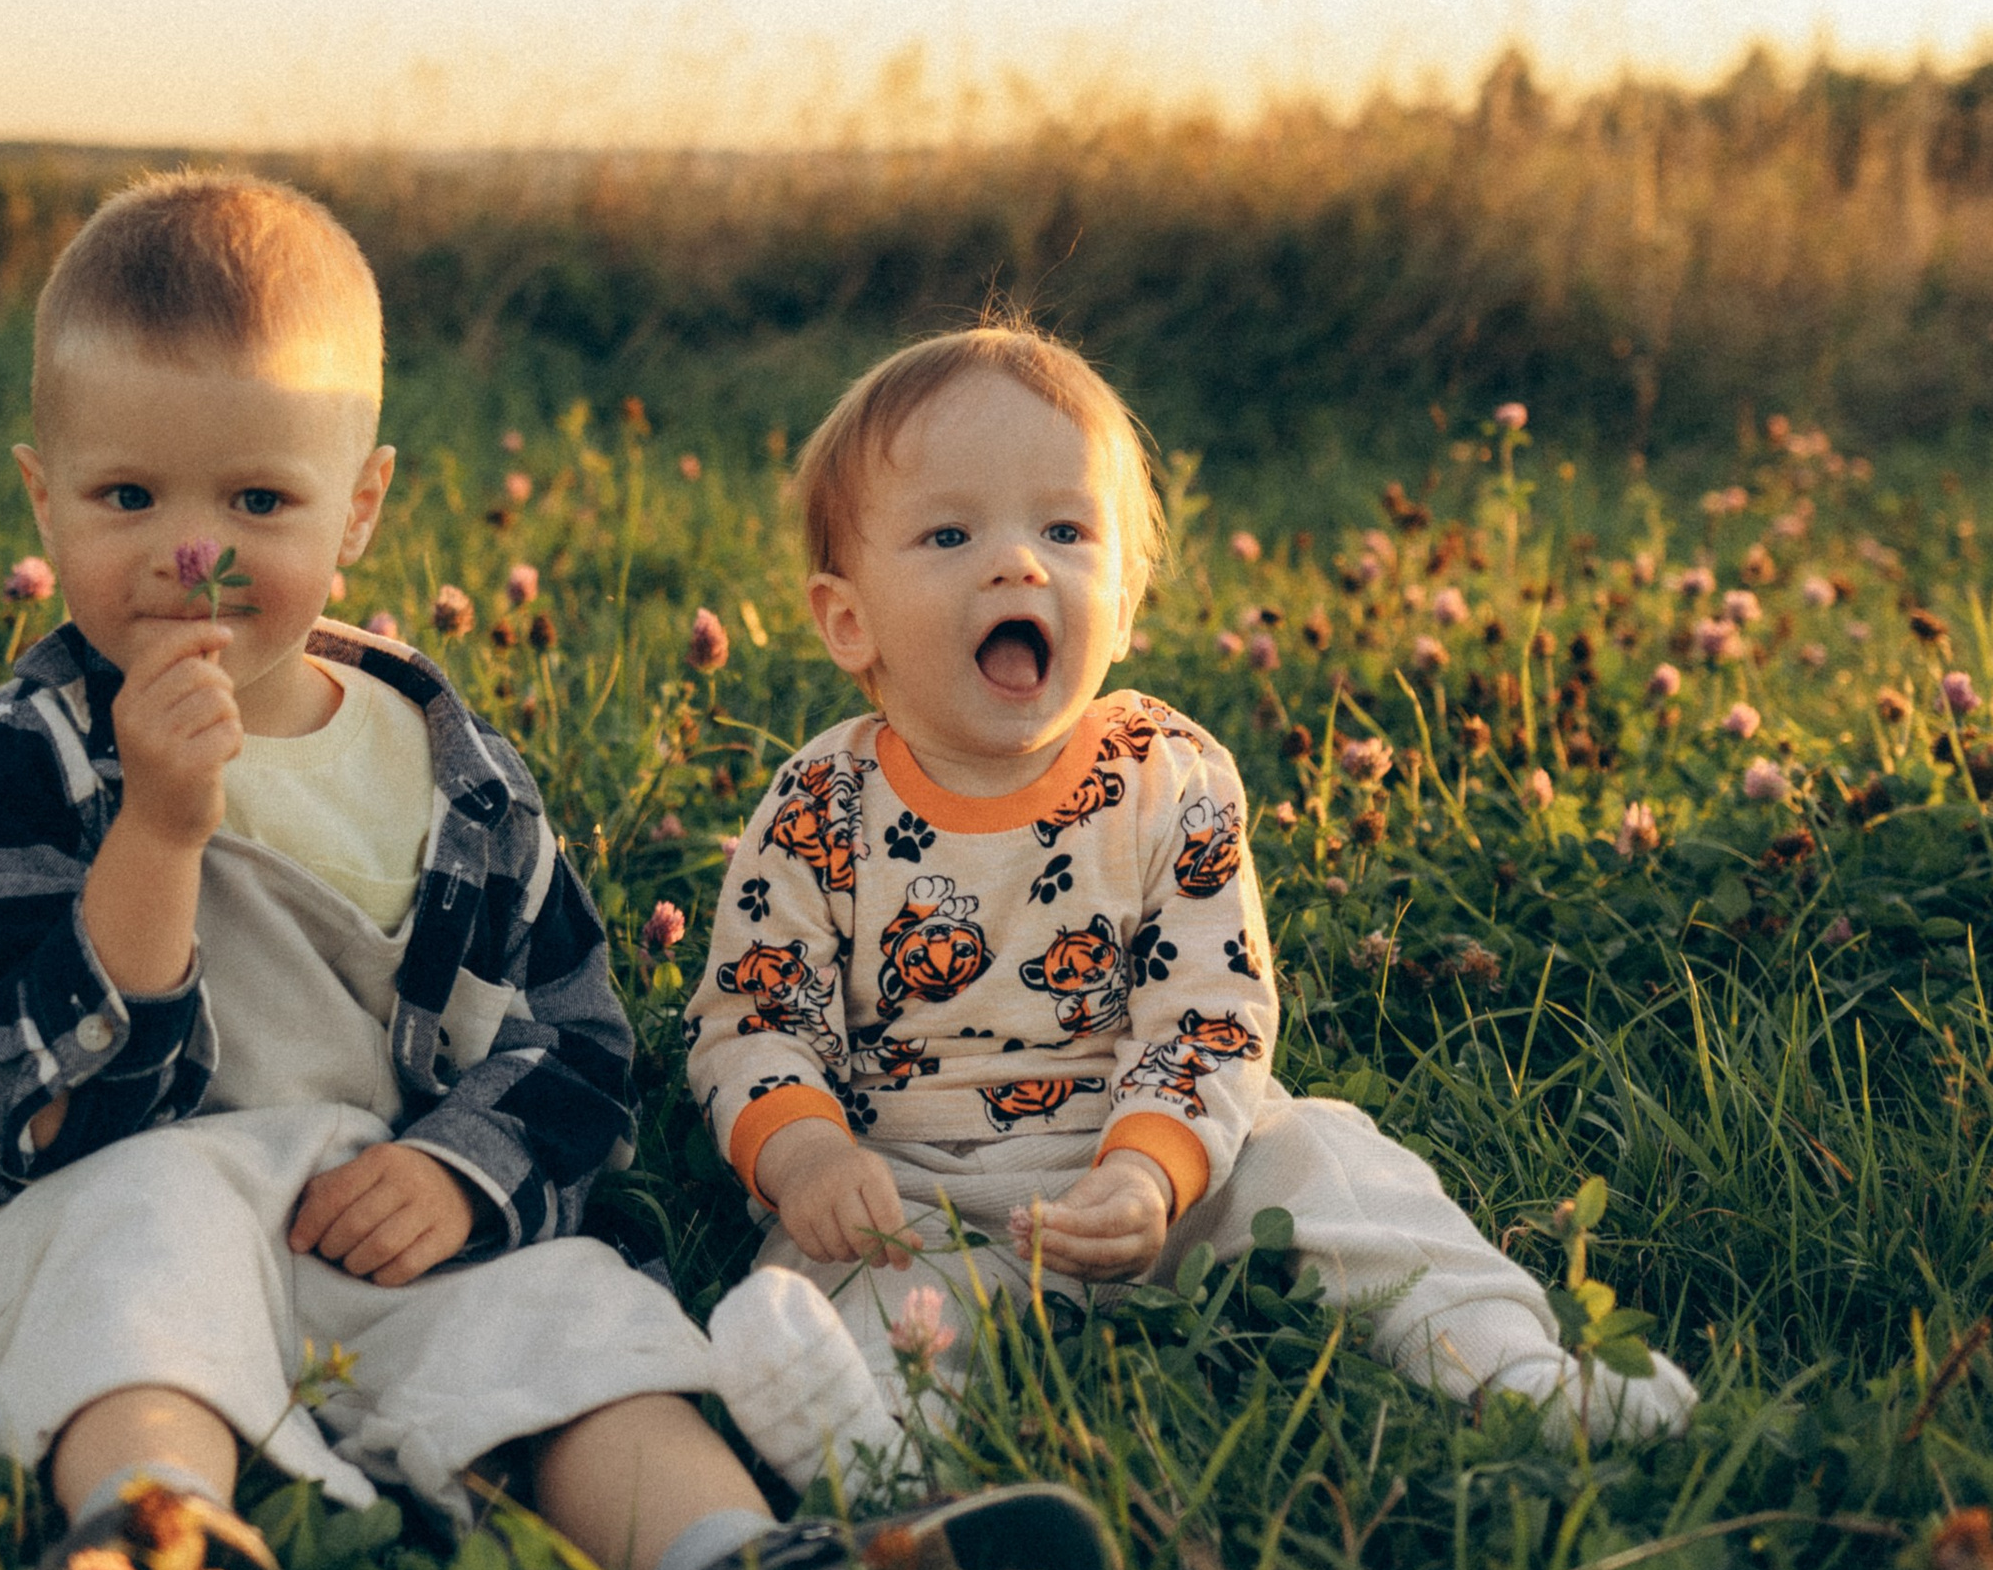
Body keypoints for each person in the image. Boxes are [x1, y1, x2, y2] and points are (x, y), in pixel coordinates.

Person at [0, 178, 1109, 1570]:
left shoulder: (450, 771)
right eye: (128, 499)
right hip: (95, 1208)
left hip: (367, 1228)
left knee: (571, 1315)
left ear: (357, 509)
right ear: (45, 502)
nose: (192, 555)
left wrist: (457, 1169)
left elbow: (574, 1045)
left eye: (260, 503)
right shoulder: (9, 769)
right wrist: (157, 834)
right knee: (141, 1257)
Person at [682, 324, 1697, 1485]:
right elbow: (754, 1017)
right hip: (913, 1192)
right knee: (850, 1287)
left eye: (1065, 531)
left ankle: (1512, 1369)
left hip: (1168, 1174)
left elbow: (1208, 1014)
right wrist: (806, 1158)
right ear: (846, 619)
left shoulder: (1169, 777)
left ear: (1123, 601)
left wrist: (1148, 1168)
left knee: (1329, 1161)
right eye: (950, 532)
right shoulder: (821, 801)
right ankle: (868, 1447)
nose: (1018, 564)